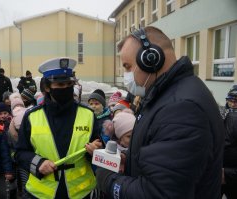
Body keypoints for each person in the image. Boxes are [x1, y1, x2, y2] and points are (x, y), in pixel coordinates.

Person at [96, 26, 224, 198]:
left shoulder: (181, 108)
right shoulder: (167, 96)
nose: (126, 75)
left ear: (150, 59)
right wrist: (133, 161)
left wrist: (110, 181)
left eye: (127, 67)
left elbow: (158, 193)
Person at [15, 57, 102, 199]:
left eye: (69, 84)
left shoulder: (88, 114)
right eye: (60, 84)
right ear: (47, 87)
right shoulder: (31, 116)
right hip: (41, 195)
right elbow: (20, 153)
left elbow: (98, 147)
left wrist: (96, 151)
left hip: (82, 194)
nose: (66, 88)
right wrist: (38, 164)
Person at [222, 85, 237, 199]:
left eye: (236, 101)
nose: (233, 104)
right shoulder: (222, 113)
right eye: (230, 100)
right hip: (219, 170)